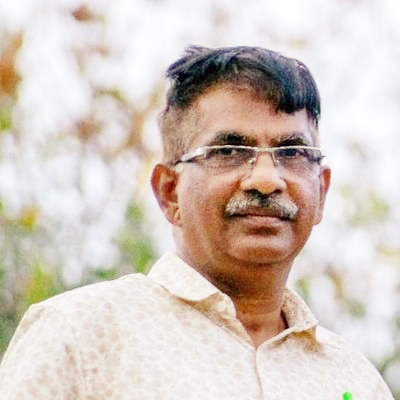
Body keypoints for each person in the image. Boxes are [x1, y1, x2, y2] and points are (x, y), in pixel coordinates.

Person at [0, 45, 394, 400]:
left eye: (291, 152)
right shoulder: (82, 336)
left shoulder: (352, 379)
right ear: (169, 191)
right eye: (229, 151)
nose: (266, 180)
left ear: (321, 192)